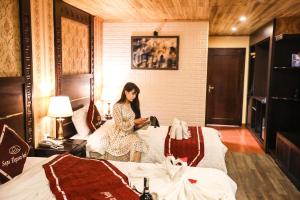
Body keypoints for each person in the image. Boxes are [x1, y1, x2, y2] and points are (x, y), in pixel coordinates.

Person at [105, 82, 149, 162]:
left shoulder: (133, 105)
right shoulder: (117, 106)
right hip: (120, 135)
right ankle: (134, 169)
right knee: (137, 142)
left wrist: (144, 123)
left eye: (136, 94)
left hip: (130, 133)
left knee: (137, 142)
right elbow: (120, 125)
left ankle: (134, 169)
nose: (134, 96)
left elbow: (134, 127)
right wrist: (134, 121)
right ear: (126, 92)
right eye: (133, 93)